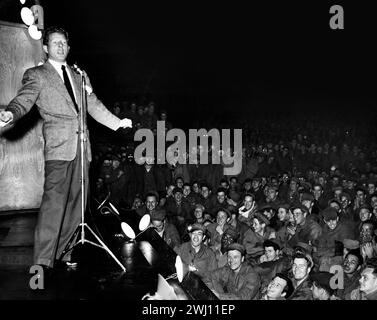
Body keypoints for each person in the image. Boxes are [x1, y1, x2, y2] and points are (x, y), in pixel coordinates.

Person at [0, 27, 132, 270]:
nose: (60, 46)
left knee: (76, 206)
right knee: (54, 206)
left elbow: (92, 105)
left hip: (82, 150)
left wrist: (117, 123)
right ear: (47, 47)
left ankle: (62, 252)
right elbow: (24, 99)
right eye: (55, 43)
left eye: (64, 43)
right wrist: (12, 112)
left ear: (68, 48)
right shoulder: (37, 74)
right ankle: (41, 264)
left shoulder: (79, 76)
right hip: (59, 151)